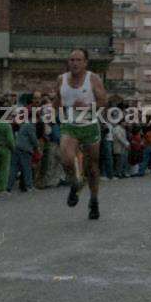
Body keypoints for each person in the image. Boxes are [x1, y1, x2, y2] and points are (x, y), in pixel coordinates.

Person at [54, 48, 107, 220]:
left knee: (92, 167)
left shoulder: (93, 79)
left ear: (85, 62)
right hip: (70, 125)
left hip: (90, 125)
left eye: (78, 60)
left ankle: (94, 200)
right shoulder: (61, 79)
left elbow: (103, 102)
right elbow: (57, 100)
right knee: (67, 159)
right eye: (71, 60)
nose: (74, 63)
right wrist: (54, 112)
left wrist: (87, 107)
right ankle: (75, 184)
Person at [7, 110, 38, 193]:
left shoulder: (22, 125)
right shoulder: (29, 126)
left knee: (14, 168)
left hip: (16, 147)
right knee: (27, 168)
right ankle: (29, 186)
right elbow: (33, 139)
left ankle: (8, 186)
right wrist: (37, 147)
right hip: (25, 149)